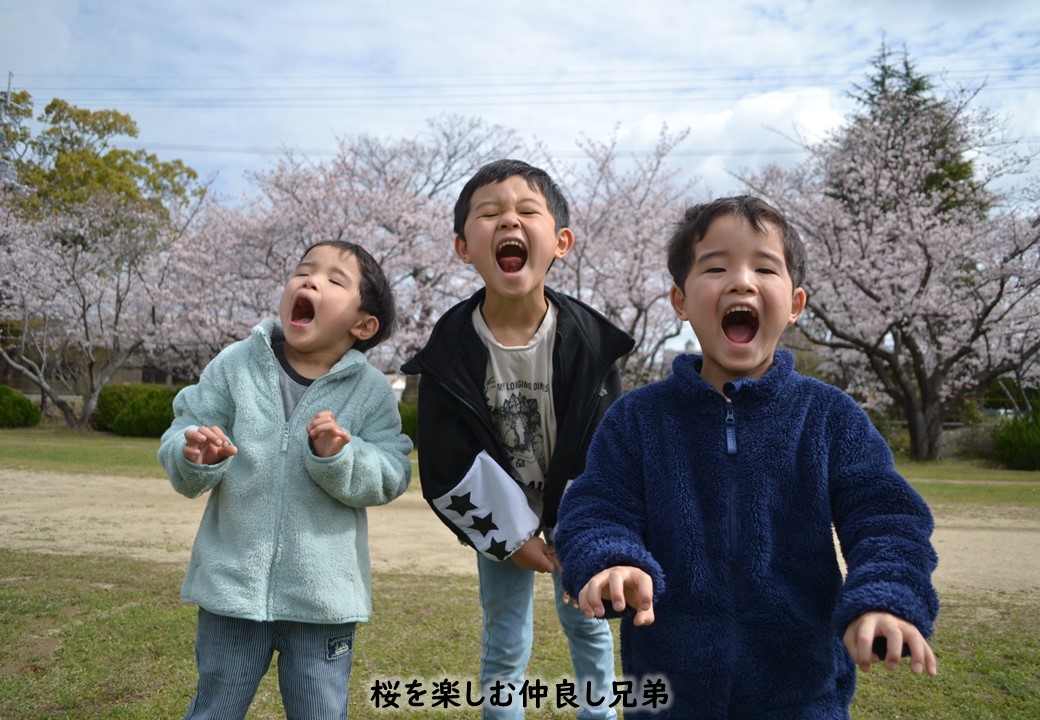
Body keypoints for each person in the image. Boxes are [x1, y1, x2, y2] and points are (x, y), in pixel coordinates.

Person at [554, 195, 940, 719]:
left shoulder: (829, 418)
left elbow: (887, 518)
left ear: (796, 302)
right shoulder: (637, 420)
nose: (742, 281)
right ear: (680, 300)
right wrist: (612, 558)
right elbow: (597, 506)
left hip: (803, 696)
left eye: (764, 267)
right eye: (716, 267)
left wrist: (886, 594)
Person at [401, 159, 634, 719]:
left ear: (561, 241)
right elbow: (445, 455)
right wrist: (512, 536)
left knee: (590, 628)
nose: (509, 220)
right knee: (504, 639)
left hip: (580, 515)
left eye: (527, 211)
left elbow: (611, 443)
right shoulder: (449, 348)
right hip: (500, 516)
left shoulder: (588, 341)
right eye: (490, 213)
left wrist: (589, 524)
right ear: (463, 246)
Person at [158, 240, 412, 720]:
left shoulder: (371, 391)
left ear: (363, 325)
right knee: (214, 709)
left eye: (335, 280)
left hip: (323, 600)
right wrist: (195, 454)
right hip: (231, 589)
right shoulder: (236, 365)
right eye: (303, 272)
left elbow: (394, 471)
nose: (311, 281)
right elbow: (182, 432)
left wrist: (341, 456)